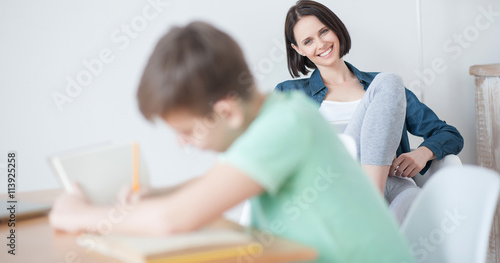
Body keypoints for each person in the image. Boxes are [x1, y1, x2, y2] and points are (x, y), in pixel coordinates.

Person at [49, 21, 416, 262]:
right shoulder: (276, 113)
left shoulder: (285, 125)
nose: (183, 143)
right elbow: (219, 183)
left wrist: (76, 215)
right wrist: (157, 194)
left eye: (187, 131)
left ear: (225, 113)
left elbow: (173, 221)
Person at [275, 0, 463, 223]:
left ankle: (372, 217)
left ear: (335, 28)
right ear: (298, 49)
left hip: (392, 185)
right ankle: (370, 208)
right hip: (336, 185)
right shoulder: (290, 93)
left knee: (415, 204)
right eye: (308, 41)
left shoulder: (382, 89)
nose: (321, 43)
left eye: (324, 31)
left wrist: (424, 152)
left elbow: (449, 134)